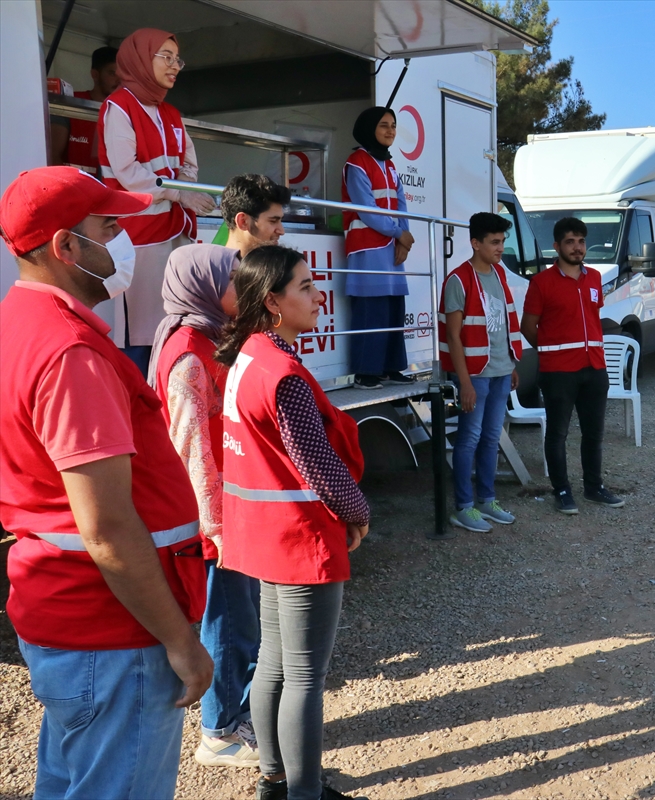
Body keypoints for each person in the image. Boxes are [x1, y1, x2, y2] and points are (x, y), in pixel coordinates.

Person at [0, 166, 212, 799]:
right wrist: (181, 642)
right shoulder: (71, 352)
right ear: (66, 248)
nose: (126, 240)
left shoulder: (22, 321)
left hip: (78, 619)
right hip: (112, 629)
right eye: (111, 226)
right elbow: (109, 526)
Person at [215, 245, 369, 800]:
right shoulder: (282, 373)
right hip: (300, 538)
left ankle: (275, 780)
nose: (317, 295)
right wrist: (359, 512)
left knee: (276, 664)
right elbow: (319, 465)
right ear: (273, 303)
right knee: (304, 675)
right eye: (305, 287)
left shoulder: (248, 356)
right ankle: (304, 793)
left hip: (263, 536)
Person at [147, 244, 261, 767]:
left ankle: (232, 714)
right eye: (231, 280)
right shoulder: (190, 351)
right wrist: (216, 528)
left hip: (225, 509)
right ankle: (219, 730)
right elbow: (191, 447)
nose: (240, 288)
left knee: (236, 615)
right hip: (214, 518)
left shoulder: (204, 336)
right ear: (202, 286)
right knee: (228, 620)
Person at [97, 28, 215, 375]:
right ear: (139, 58)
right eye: (165, 56)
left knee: (173, 325)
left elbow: (191, 163)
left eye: (177, 58)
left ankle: (166, 405)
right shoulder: (118, 106)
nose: (175, 65)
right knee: (143, 331)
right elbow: (128, 172)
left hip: (175, 229)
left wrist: (185, 188)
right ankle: (139, 411)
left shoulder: (171, 113)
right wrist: (179, 192)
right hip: (139, 232)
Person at [521, 216, 625, 515]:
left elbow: (592, 317)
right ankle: (562, 490)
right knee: (558, 433)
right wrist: (550, 349)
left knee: (594, 432)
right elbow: (528, 326)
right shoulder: (541, 282)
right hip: (558, 371)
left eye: (581, 241)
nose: (577, 248)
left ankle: (594, 487)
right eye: (570, 242)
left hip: (594, 367)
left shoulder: (593, 277)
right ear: (557, 246)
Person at [438, 212, 524, 533]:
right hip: (474, 375)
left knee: (490, 438)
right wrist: (464, 383)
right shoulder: (458, 280)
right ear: (475, 243)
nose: (500, 248)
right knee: (469, 439)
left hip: (501, 372)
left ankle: (487, 500)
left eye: (502, 242)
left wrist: (510, 365)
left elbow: (501, 326)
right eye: (494, 242)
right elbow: (453, 336)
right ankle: (464, 507)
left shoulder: (499, 274)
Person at [342, 106, 417, 389]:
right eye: (383, 125)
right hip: (367, 247)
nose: (390, 131)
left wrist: (404, 238)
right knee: (371, 309)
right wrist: (400, 234)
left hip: (391, 245)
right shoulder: (356, 162)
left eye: (393, 125)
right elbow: (366, 210)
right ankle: (366, 372)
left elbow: (401, 204)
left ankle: (390, 366)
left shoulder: (391, 164)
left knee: (394, 305)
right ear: (368, 128)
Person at [49, 46, 120, 172]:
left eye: (122, 75)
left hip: (109, 189)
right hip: (74, 187)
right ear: (95, 74)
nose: (118, 80)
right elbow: (53, 156)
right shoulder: (71, 103)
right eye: (112, 73)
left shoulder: (124, 111)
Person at [221, 173, 291, 257]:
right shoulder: (210, 268)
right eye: (273, 221)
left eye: (280, 221)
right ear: (243, 221)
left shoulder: (284, 267)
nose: (281, 231)